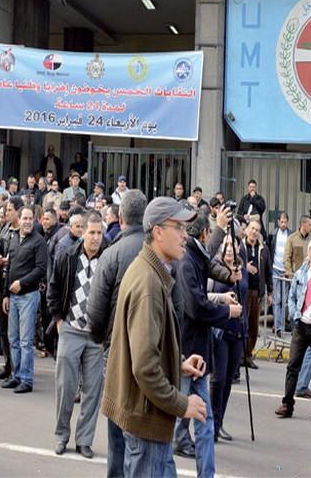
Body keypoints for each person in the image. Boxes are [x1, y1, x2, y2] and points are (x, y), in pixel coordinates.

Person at [101, 197, 207, 476]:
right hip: (146, 416)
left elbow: (146, 349)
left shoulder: (152, 272)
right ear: (157, 231)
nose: (186, 236)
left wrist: (177, 363)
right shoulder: (148, 282)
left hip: (144, 412)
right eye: (179, 228)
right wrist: (182, 403)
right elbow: (145, 369)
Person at [174, 210, 241, 475]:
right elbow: (195, 306)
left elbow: (205, 284)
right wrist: (226, 312)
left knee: (199, 414)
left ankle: (204, 470)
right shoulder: (187, 260)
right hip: (188, 347)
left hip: (197, 348)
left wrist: (222, 296)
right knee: (184, 412)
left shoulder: (195, 255)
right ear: (203, 233)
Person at [87, 189, 147, 476]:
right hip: (151, 354)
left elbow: (95, 314)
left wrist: (102, 340)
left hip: (117, 352)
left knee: (118, 431)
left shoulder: (112, 255)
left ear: (120, 219)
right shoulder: (159, 251)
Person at [49, 211, 107, 458]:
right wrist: (59, 320)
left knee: (92, 391)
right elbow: (53, 289)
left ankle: (84, 441)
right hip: (71, 329)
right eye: (90, 232)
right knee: (65, 388)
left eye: (98, 233)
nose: (95, 238)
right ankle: (61, 436)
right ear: (82, 232)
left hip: (96, 336)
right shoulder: (68, 256)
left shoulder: (109, 258)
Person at [275, 237, 311, 420]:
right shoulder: (301, 273)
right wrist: (294, 316)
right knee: (293, 366)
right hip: (301, 325)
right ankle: (287, 404)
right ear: (309, 251)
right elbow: (291, 296)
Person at [2, 207, 47, 393]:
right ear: (18, 220)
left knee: (25, 340)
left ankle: (26, 379)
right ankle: (16, 375)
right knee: (13, 338)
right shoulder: (13, 239)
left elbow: (41, 269)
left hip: (29, 295)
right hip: (13, 297)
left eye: (30, 218)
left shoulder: (39, 242)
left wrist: (22, 282)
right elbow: (9, 267)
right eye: (24, 218)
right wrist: (5, 293)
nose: (27, 221)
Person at [210, 233, 248, 443]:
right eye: (226, 246)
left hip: (238, 330)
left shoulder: (241, 269)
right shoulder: (215, 269)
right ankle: (213, 424)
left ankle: (220, 421)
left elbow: (246, 300)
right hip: (220, 330)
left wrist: (247, 330)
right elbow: (209, 296)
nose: (230, 250)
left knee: (228, 382)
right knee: (219, 378)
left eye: (233, 246)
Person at [0, 196, 23, 381]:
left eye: (10, 209)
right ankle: (7, 364)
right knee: (2, 328)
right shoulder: (5, 229)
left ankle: (16, 368)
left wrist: (9, 260)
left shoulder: (25, 231)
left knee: (16, 332)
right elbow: (0, 248)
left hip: (18, 284)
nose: (6, 212)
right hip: (3, 280)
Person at [242, 218, 272, 369]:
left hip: (257, 292)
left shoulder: (263, 249)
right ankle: (239, 356)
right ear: (247, 229)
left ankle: (248, 355)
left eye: (257, 230)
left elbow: (268, 272)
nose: (254, 232)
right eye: (252, 228)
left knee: (254, 326)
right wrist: (243, 267)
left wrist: (270, 292)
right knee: (242, 324)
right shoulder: (240, 246)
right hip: (243, 291)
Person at [269, 212, 291, 337]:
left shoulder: (291, 234)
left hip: (286, 271)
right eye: (281, 222)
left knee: (284, 300)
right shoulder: (273, 234)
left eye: (285, 222)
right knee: (276, 300)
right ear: (278, 222)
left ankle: (280, 324)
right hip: (275, 269)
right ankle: (278, 327)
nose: (283, 224)